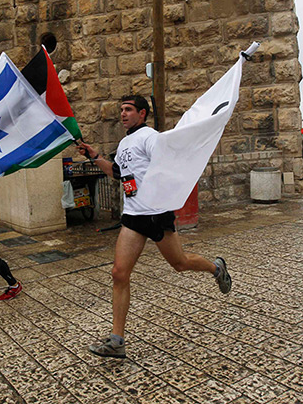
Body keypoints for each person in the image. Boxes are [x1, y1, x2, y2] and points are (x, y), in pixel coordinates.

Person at [76, 95, 232, 359]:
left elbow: (168, 166)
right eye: (121, 110)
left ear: (142, 114)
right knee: (119, 274)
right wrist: (95, 157)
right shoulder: (126, 142)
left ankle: (216, 268)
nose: (123, 114)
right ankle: (117, 341)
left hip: (156, 214)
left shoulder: (150, 137)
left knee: (180, 263)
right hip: (133, 217)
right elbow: (117, 173)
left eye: (128, 110)